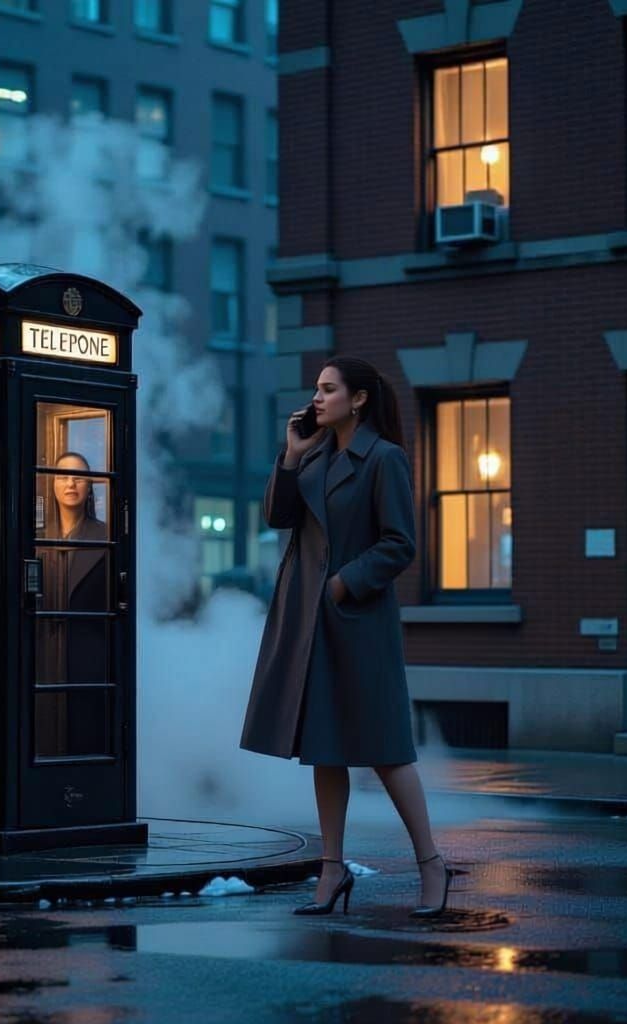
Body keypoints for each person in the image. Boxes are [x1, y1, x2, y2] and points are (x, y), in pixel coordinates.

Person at [240, 356, 453, 917]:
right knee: (324, 751)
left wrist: (342, 585)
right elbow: (275, 516)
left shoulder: (385, 459)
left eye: (328, 390)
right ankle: (331, 870)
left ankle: (431, 864)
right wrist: (291, 451)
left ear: (358, 399)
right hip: (308, 624)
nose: (317, 398)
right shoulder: (313, 456)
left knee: (386, 750)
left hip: (356, 622)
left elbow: (400, 544)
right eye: (316, 389)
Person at [37, 451, 109, 757]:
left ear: (91, 486)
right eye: (63, 476)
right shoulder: (35, 537)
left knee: (85, 732)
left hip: (90, 659)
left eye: (78, 477)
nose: (71, 484)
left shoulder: (107, 536)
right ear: (52, 484)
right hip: (43, 657)